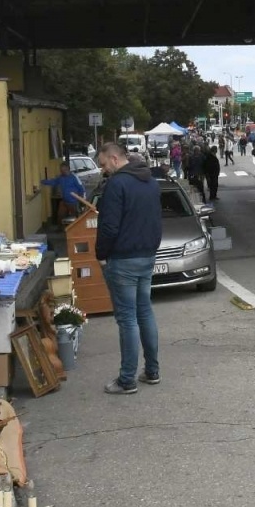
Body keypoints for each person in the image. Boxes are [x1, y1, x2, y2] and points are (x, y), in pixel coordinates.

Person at [94, 144, 163, 394]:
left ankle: (127, 380)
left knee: (127, 319)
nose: (103, 169)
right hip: (147, 255)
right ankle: (152, 371)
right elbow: (156, 219)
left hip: (123, 258)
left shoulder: (117, 185)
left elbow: (109, 227)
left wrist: (101, 254)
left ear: (114, 159)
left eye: (103, 164)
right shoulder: (151, 182)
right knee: (145, 312)